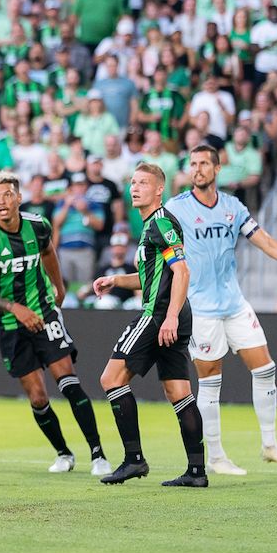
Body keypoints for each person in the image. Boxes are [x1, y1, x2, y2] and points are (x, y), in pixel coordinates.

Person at [165, 144, 277, 475]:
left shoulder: (232, 207)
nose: (197, 169)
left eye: (203, 164)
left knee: (265, 368)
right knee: (210, 380)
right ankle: (217, 455)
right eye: (193, 163)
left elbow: (265, 242)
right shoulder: (176, 208)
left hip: (235, 303)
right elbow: (160, 253)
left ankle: (270, 445)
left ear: (217, 169)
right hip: (201, 309)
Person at [0, 172, 108, 475]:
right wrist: (13, 307)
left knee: (68, 381)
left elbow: (49, 254)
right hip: (9, 322)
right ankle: (63, 453)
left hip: (43, 313)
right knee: (38, 396)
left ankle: (99, 455)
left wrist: (59, 288)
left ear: (18, 198)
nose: (1, 202)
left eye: (7, 195)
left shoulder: (38, 226)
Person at [94, 162, 206, 488]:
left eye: (143, 182)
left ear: (159, 189)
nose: (134, 187)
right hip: (169, 312)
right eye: (132, 182)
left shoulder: (161, 222)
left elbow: (182, 271)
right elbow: (153, 276)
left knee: (111, 378)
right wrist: (117, 280)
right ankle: (196, 472)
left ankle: (134, 460)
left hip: (159, 314)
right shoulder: (148, 227)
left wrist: (169, 316)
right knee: (178, 391)